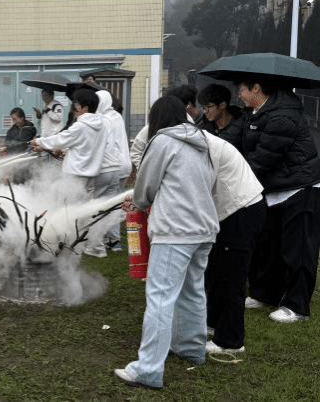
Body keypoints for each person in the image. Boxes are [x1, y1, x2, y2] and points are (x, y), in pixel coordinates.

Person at [115, 96, 219, 390]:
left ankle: (148, 369)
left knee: (160, 297)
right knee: (193, 290)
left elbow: (146, 185)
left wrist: (138, 202)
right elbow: (209, 182)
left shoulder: (162, 141)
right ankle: (192, 349)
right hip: (204, 229)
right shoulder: (201, 141)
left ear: (157, 119)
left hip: (176, 231)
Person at [236, 77, 320, 323]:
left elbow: (263, 158)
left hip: (300, 189)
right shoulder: (256, 114)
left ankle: (297, 306)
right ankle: (265, 294)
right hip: (275, 189)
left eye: (241, 89)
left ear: (256, 89)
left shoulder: (282, 116)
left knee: (298, 251)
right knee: (267, 246)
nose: (239, 94)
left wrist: (235, 180)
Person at [202, 131, 265, 354]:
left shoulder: (197, 144)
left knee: (231, 276)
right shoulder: (193, 139)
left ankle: (230, 341)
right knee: (216, 271)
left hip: (241, 209)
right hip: (232, 210)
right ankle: (213, 323)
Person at [30, 88, 107, 198]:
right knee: (85, 204)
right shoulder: (101, 126)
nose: (73, 109)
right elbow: (84, 147)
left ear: (85, 108)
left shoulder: (80, 126)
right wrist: (65, 152)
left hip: (75, 176)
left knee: (71, 206)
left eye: (76, 106)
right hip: (91, 175)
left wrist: (39, 141)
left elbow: (60, 139)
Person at [84, 90, 132, 257]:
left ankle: (105, 239)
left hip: (113, 166)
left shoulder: (103, 119)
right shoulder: (116, 116)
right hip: (125, 165)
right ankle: (113, 240)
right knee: (114, 204)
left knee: (106, 205)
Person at [197, 83, 244, 150]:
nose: (205, 111)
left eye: (209, 107)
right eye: (203, 107)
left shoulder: (242, 126)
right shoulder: (204, 128)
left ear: (222, 105)